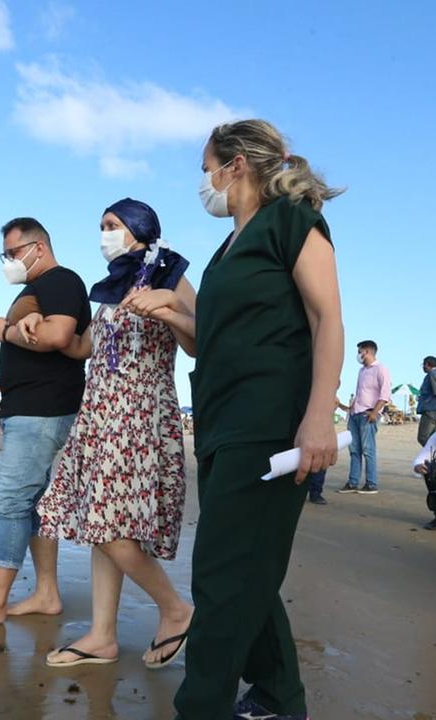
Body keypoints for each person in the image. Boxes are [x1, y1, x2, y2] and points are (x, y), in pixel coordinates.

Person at [142, 120, 343, 720]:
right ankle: (282, 697)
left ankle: (200, 706)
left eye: (207, 168)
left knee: (222, 574)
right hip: (221, 423)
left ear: (236, 166)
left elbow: (326, 319)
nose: (204, 182)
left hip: (271, 423)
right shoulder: (226, 247)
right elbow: (213, 344)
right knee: (243, 564)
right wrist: (175, 314)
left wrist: (317, 418)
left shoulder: (291, 221)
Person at [23, 198, 194, 669]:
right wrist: (31, 326)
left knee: (108, 523)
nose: (105, 233)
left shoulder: (169, 272)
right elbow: (84, 348)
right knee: (102, 525)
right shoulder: (112, 288)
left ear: (139, 228)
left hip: (139, 416)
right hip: (100, 415)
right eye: (101, 225)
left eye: (113, 224)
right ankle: (102, 635)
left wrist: (170, 306)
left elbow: (201, 339)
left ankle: (175, 609)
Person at [0, 217, 91, 626]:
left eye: (11, 253)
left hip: (42, 408)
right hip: (30, 407)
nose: (7, 261)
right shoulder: (39, 288)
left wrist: (4, 332)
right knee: (35, 505)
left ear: (37, 248)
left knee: (11, 502)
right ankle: (46, 593)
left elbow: (60, 336)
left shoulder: (60, 281)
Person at [338, 340, 390, 494]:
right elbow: (360, 392)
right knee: (354, 450)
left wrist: (375, 412)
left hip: (368, 414)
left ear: (367, 351)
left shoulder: (381, 369)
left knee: (368, 450)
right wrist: (350, 408)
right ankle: (353, 482)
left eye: (360, 351)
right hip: (355, 414)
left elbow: (385, 393)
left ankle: (371, 484)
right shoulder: (362, 370)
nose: (359, 355)